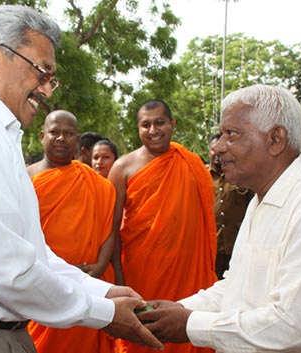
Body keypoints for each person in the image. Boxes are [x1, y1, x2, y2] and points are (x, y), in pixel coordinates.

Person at [0, 5, 162, 353]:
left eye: (51, 78)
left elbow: (31, 256)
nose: (46, 90)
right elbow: (4, 270)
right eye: (40, 71)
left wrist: (102, 291)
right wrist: (105, 313)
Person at [139, 85, 301, 353]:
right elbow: (236, 287)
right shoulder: (261, 200)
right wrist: (179, 309)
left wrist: (190, 324)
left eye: (231, 134)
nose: (219, 147)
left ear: (275, 140)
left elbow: (292, 326)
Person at [108, 99, 218, 353]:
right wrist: (118, 276)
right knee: (143, 337)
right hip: (142, 272)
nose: (153, 130)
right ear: (137, 128)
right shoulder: (122, 168)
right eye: (145, 125)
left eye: (160, 122)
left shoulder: (190, 163)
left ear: (172, 124)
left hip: (187, 273)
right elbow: (112, 229)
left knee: (186, 330)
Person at [26, 110, 118, 353]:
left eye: (68, 134)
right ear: (42, 136)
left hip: (88, 281)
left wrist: (99, 266)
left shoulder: (97, 184)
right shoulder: (25, 177)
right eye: (55, 132)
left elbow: (109, 231)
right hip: (41, 282)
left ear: (78, 141)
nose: (61, 138)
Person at [208, 133, 252, 279]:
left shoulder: (241, 177)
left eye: (223, 150)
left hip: (238, 246)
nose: (218, 154)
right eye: (214, 150)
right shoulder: (201, 176)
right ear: (209, 150)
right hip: (211, 249)